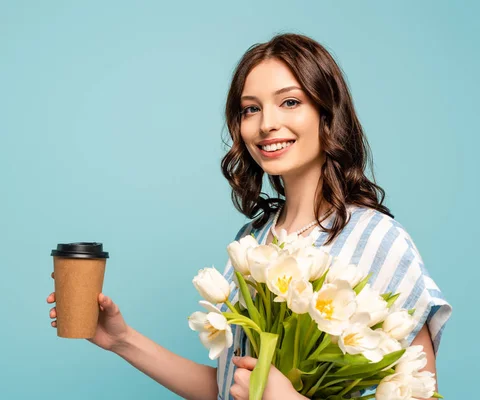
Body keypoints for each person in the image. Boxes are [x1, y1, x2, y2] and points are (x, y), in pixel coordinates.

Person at [46, 33, 452, 400]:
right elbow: (228, 387)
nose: (267, 124)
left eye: (289, 102)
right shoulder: (253, 240)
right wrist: (122, 340)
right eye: (250, 109)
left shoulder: (378, 239)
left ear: (327, 115)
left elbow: (419, 395)